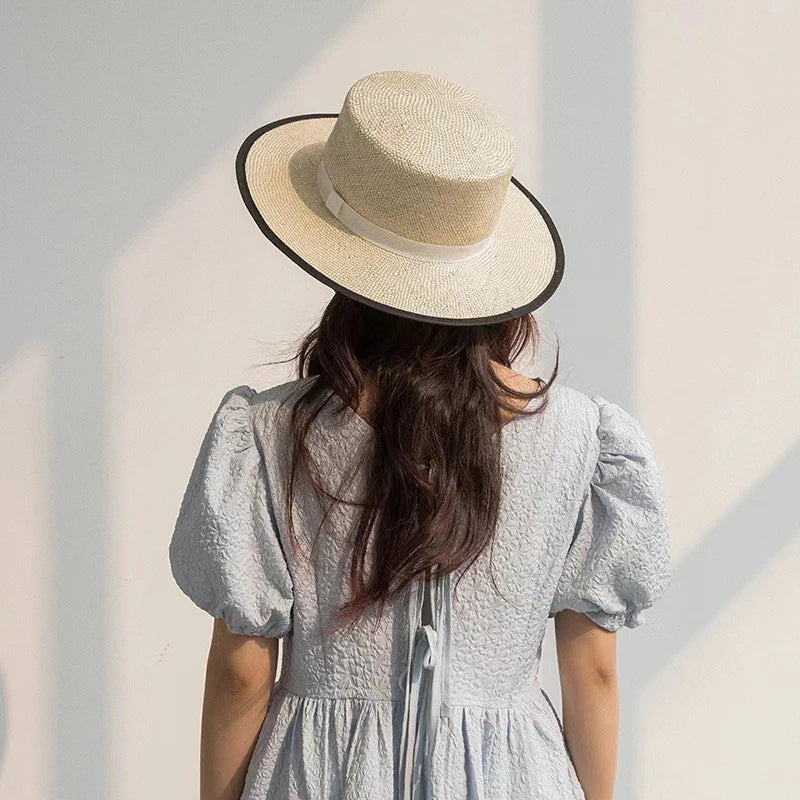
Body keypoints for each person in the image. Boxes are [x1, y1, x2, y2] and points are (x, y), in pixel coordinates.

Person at [169, 70, 672, 800]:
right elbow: (591, 668)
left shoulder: (270, 432)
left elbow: (242, 669)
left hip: (324, 775)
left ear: (340, 257)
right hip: (510, 777)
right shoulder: (581, 440)